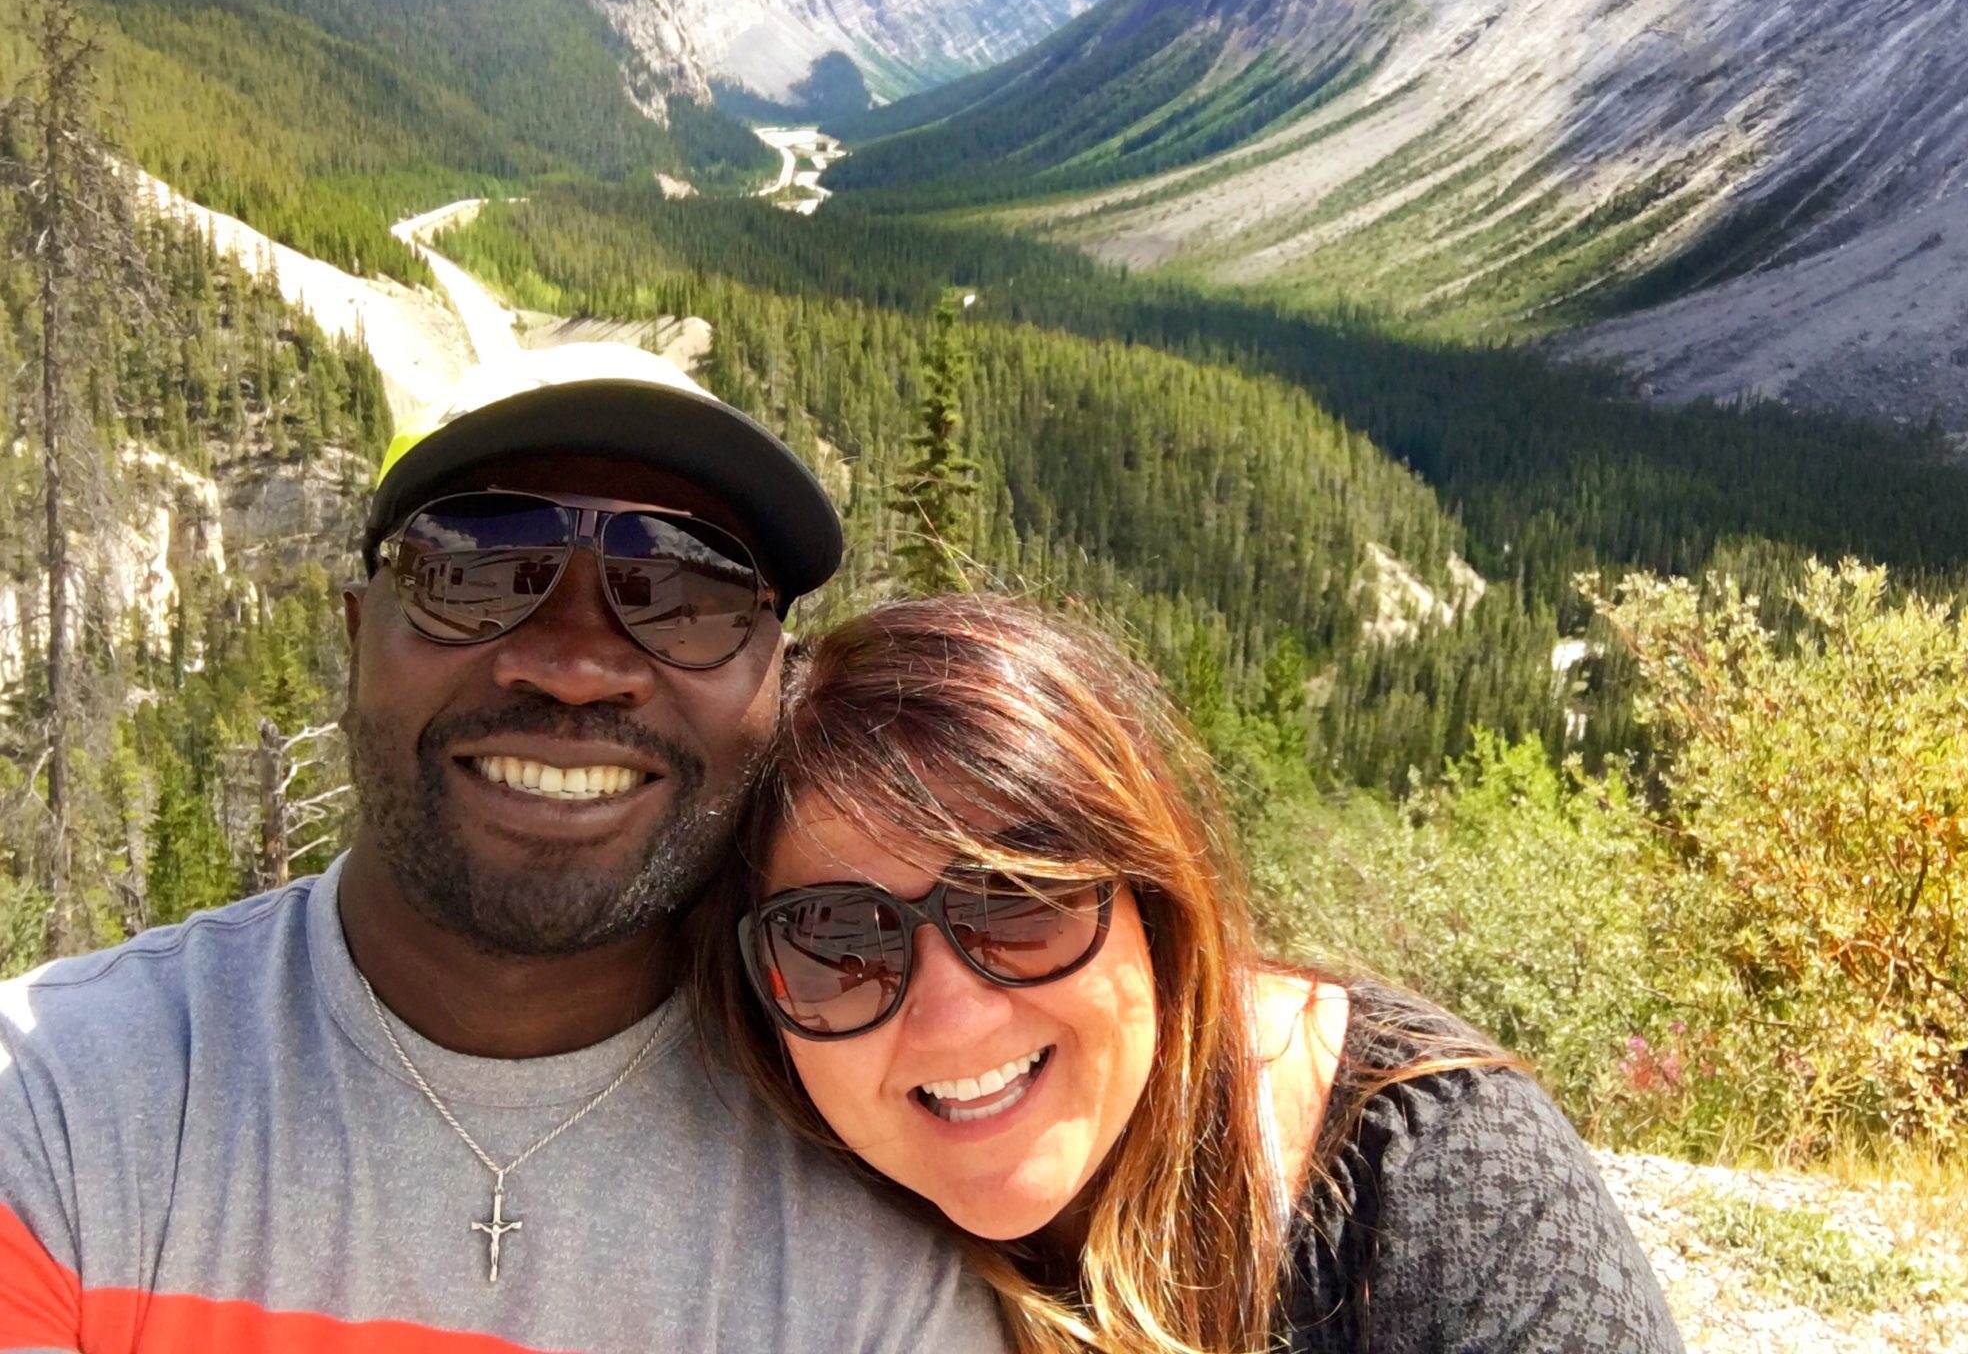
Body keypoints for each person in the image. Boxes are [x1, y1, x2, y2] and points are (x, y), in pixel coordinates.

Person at [0, 346, 1004, 1353]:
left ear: (775, 687)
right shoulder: (53, 1101)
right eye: (473, 568)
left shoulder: (893, 1201)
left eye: (688, 592)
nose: (574, 666)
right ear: (355, 639)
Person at [692, 594, 1687, 1354]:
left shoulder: (1441, 1176)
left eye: (1018, 899)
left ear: (1154, 904)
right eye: (836, 944)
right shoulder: (757, 1213)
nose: (952, 1019)